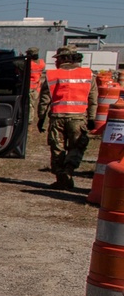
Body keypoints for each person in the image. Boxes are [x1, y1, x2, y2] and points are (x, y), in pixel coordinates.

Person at [37, 44, 98, 190]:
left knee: (57, 148)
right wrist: (91, 118)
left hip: (57, 117)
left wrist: (41, 119)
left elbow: (44, 100)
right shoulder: (88, 74)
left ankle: (61, 177)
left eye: (58, 59)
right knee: (77, 146)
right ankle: (68, 171)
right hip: (78, 118)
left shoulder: (52, 75)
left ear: (65, 58)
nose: (56, 61)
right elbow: (93, 99)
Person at [26, 46, 46, 126]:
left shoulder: (29, 64)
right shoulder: (42, 63)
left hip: (30, 87)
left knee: (30, 105)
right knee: (32, 104)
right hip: (37, 88)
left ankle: (29, 120)